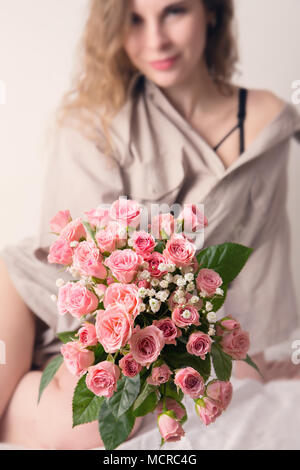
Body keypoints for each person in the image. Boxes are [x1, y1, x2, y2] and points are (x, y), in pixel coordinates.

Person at [1, 0, 300, 449]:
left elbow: (263, 257)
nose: (155, 39)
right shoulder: (96, 120)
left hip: (149, 339)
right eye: (135, 20)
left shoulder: (265, 120)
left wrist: (256, 350)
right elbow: (73, 267)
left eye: (174, 12)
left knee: (88, 429)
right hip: (35, 297)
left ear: (212, 13)